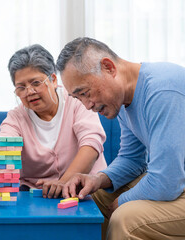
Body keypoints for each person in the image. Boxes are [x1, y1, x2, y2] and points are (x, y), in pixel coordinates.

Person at [56, 37, 185, 239]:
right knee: (95, 196)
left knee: (125, 219)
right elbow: (132, 160)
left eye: (85, 93)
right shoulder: (124, 101)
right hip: (177, 180)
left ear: (109, 67)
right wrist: (96, 179)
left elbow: (166, 181)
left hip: (175, 181)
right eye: (77, 98)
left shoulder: (161, 91)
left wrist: (123, 201)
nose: (87, 105)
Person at [0, 44, 107, 199]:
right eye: (21, 87)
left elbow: (90, 146)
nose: (29, 92)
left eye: (36, 83)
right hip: (38, 196)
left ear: (53, 80)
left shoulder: (77, 100)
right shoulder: (17, 117)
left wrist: (63, 182)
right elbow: (2, 145)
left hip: (86, 189)